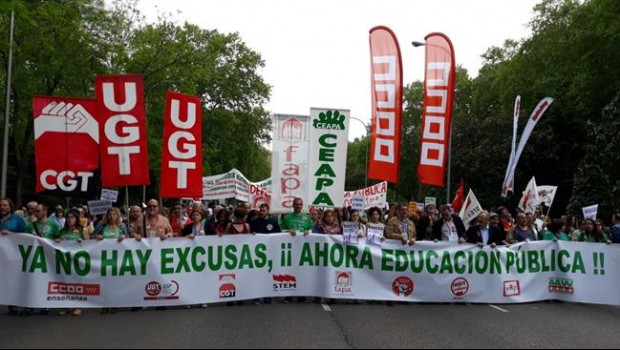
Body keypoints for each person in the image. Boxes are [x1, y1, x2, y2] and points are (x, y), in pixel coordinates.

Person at [56, 209, 89, 316]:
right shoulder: (62, 231)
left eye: (72, 217)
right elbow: (55, 242)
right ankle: (67, 306)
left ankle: (79, 306)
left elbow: (90, 244)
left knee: (77, 283)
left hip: (78, 261)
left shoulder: (82, 230)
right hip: (64, 261)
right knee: (65, 283)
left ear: (77, 218)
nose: (70, 219)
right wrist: (56, 241)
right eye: (68, 217)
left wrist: (82, 239)